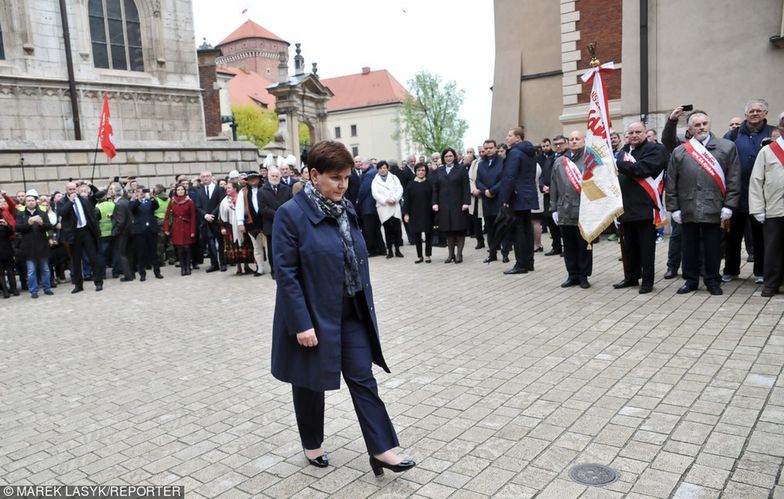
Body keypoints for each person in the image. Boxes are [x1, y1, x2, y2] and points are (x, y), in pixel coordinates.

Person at [270, 140, 415, 476]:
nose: (343, 185)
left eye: (347, 177)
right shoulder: (290, 215)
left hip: (351, 311)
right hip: (313, 315)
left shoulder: (346, 208)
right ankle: (312, 443)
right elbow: (286, 274)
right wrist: (301, 324)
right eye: (335, 178)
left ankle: (381, 449)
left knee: (363, 378)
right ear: (314, 175)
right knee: (309, 382)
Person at [665, 110, 741, 295]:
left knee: (713, 247)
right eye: (697, 125)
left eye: (704, 123)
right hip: (687, 207)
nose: (701, 127)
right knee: (688, 247)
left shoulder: (727, 147)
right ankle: (690, 280)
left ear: (709, 124)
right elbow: (671, 181)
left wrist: (729, 205)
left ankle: (712, 280)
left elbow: (734, 178)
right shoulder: (680, 150)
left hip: (715, 206)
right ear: (690, 129)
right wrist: (674, 208)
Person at [721, 99, 776, 283]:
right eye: (751, 111)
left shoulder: (772, 133)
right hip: (736, 192)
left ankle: (761, 271)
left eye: (759, 110)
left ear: (765, 113)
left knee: (761, 236)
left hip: (762, 194)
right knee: (732, 236)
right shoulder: (733, 134)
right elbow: (722, 157)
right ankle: (730, 270)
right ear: (746, 114)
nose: (755, 113)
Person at [613, 122, 670, 294]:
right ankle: (631, 277)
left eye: (638, 132)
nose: (634, 135)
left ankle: (647, 281)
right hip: (625, 208)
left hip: (646, 208)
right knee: (629, 247)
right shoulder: (623, 152)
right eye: (630, 132)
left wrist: (616, 163)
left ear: (645, 133)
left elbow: (641, 169)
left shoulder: (656, 150)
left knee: (646, 249)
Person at [748, 112, 784, 297]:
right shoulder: (767, 151)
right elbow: (756, 181)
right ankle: (771, 284)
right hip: (774, 209)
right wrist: (757, 209)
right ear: (780, 129)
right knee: (772, 249)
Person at [551, 131, 592, 288]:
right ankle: (572, 274)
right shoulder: (560, 161)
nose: (574, 141)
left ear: (584, 141)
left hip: (583, 209)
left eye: (577, 139)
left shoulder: (589, 160)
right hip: (564, 209)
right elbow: (554, 185)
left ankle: (583, 276)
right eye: (571, 139)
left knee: (583, 245)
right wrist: (553, 208)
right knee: (568, 245)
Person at [499, 127, 538, 275]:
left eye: (510, 135)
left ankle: (521, 264)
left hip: (517, 196)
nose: (507, 138)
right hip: (527, 194)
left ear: (518, 138)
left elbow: (509, 176)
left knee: (518, 231)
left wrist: (505, 198)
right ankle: (529, 262)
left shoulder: (514, 153)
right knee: (527, 229)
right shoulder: (530, 152)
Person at [58, 181, 105, 293]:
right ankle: (78, 285)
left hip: (86, 231)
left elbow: (91, 214)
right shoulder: (62, 202)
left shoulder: (83, 200)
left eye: (74, 189)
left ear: (77, 189)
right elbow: (62, 213)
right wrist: (70, 201)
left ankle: (98, 282)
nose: (72, 191)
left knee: (93, 257)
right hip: (73, 234)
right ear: (66, 190)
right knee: (76, 260)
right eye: (70, 189)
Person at [431, 148, 470, 263]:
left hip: (458, 204)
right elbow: (435, 188)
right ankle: (450, 254)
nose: (448, 158)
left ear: (454, 157)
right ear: (443, 158)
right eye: (446, 156)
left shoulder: (461, 169)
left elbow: (466, 187)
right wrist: (434, 203)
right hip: (444, 205)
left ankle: (459, 254)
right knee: (448, 230)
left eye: (450, 156)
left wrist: (466, 202)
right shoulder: (439, 170)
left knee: (459, 229)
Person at [15, 190, 53, 298]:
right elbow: (17, 228)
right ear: (25, 202)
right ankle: (33, 291)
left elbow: (49, 226)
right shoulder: (20, 214)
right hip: (28, 247)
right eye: (28, 201)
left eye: (32, 200)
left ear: (36, 201)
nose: (31, 202)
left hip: (42, 245)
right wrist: (28, 224)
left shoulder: (42, 213)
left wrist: (42, 224)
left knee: (45, 269)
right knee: (31, 271)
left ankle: (47, 288)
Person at [260, 167, 292, 279]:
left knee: (286, 247)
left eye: (277, 176)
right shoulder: (262, 191)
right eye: (272, 176)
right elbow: (263, 208)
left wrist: (283, 215)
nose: (274, 178)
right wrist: (278, 214)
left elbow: (291, 204)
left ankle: (286, 269)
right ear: (268, 176)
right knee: (272, 249)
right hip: (270, 225)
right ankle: (274, 271)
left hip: (285, 224)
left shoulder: (286, 189)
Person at [476, 139, 506, 263]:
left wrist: (493, 190)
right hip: (487, 199)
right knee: (490, 228)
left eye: (491, 148)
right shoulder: (481, 164)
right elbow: (478, 180)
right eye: (486, 148)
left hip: (499, 198)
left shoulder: (502, 161)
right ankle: (492, 253)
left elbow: (504, 179)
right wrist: (485, 191)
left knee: (502, 226)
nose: (488, 150)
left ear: (495, 148)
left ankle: (505, 253)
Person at [194, 171, 226, 272]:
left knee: (220, 243)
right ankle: (214, 264)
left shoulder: (219, 189)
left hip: (217, 220)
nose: (205, 178)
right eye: (203, 177)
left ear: (211, 177)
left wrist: (212, 214)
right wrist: (206, 215)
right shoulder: (199, 191)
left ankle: (223, 263)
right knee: (210, 243)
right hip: (205, 221)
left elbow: (221, 203)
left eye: (207, 176)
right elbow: (198, 206)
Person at [237, 171, 268, 276]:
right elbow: (239, 207)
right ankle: (260, 268)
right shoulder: (243, 192)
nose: (252, 180)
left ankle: (272, 267)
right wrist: (240, 222)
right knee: (257, 247)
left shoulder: (265, 189)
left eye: (254, 177)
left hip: (265, 222)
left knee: (268, 247)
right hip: (251, 223)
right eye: (250, 178)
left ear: (259, 179)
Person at [371, 161, 404, 259]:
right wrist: (385, 200)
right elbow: (375, 194)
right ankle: (390, 250)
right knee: (387, 229)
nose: (382, 170)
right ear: (378, 169)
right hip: (384, 207)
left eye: (384, 168)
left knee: (397, 229)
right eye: (380, 168)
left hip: (394, 205)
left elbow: (400, 189)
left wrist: (394, 198)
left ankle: (397, 249)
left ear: (387, 168)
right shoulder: (375, 180)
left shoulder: (394, 177)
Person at [219, 182, 253, 275]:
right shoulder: (224, 201)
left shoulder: (241, 198)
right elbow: (221, 215)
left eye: (229, 188)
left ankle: (246, 266)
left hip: (243, 225)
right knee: (234, 246)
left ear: (235, 189)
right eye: (226, 188)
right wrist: (223, 227)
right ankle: (238, 267)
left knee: (244, 245)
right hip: (230, 227)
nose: (227, 190)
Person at [403, 163, 434, 263]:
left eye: (423, 170)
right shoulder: (411, 184)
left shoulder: (430, 183)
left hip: (428, 212)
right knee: (417, 235)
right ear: (415, 171)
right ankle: (419, 256)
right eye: (419, 170)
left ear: (426, 172)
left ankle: (428, 255)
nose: (421, 172)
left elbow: (434, 198)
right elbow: (407, 200)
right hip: (415, 213)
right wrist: (406, 213)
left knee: (428, 234)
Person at [129, 187, 162, 281]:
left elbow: (156, 206)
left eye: (142, 192)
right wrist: (138, 199)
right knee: (141, 253)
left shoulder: (149, 201)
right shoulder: (133, 202)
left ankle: (157, 272)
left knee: (154, 252)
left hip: (151, 229)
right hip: (140, 230)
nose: (142, 193)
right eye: (139, 192)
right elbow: (132, 209)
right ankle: (142, 274)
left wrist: (151, 197)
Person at [163, 184, 196, 276]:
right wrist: (166, 228)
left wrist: (193, 231)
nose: (180, 191)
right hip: (176, 227)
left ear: (185, 191)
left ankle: (188, 267)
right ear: (176, 191)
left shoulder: (189, 201)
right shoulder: (172, 201)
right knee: (180, 248)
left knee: (187, 248)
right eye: (178, 190)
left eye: (182, 189)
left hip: (187, 226)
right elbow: (167, 216)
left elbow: (193, 217)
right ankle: (182, 268)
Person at [111, 185, 134, 281]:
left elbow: (121, 221)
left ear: (115, 193)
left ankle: (128, 275)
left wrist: (115, 232)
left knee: (122, 254)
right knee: (129, 253)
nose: (110, 192)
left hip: (123, 232)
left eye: (112, 190)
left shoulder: (119, 204)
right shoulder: (126, 201)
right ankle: (131, 273)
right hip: (129, 230)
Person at [0, 193, 18, 297]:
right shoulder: (4, 224)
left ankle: (9, 291)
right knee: (6, 272)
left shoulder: (4, 223)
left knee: (5, 272)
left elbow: (11, 233)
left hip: (7, 250)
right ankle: (10, 290)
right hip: (6, 250)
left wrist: (6, 225)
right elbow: (11, 232)